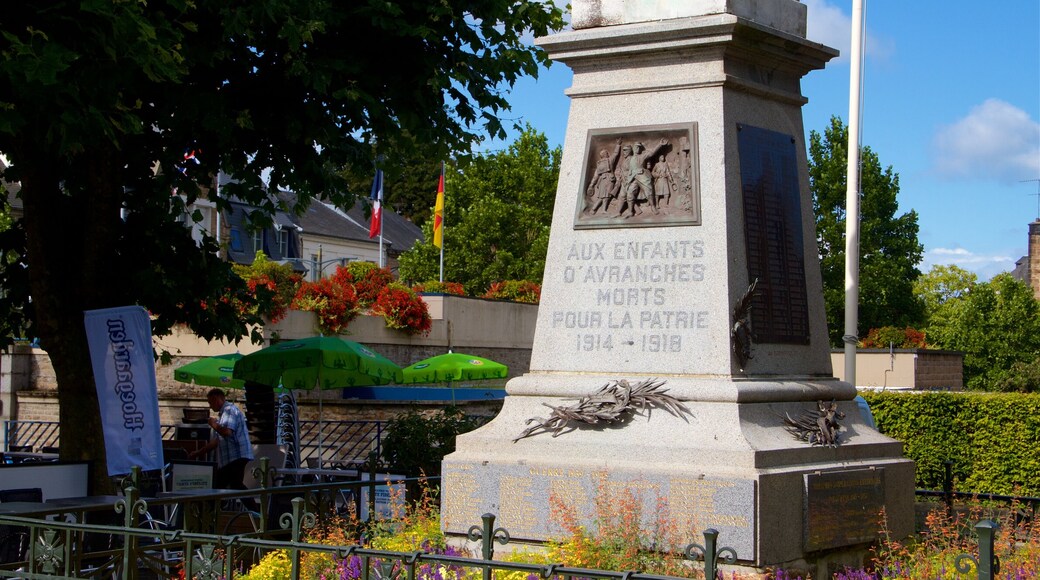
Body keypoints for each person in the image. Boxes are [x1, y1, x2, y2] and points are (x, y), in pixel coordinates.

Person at [189, 388, 254, 490]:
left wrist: (213, 424)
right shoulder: (224, 413)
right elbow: (217, 440)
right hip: (233, 458)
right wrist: (199, 452)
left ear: (216, 399)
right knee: (234, 485)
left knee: (219, 484)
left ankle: (214, 504)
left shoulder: (229, 410)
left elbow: (227, 432)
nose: (210, 406)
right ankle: (220, 504)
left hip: (236, 456)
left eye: (210, 402)